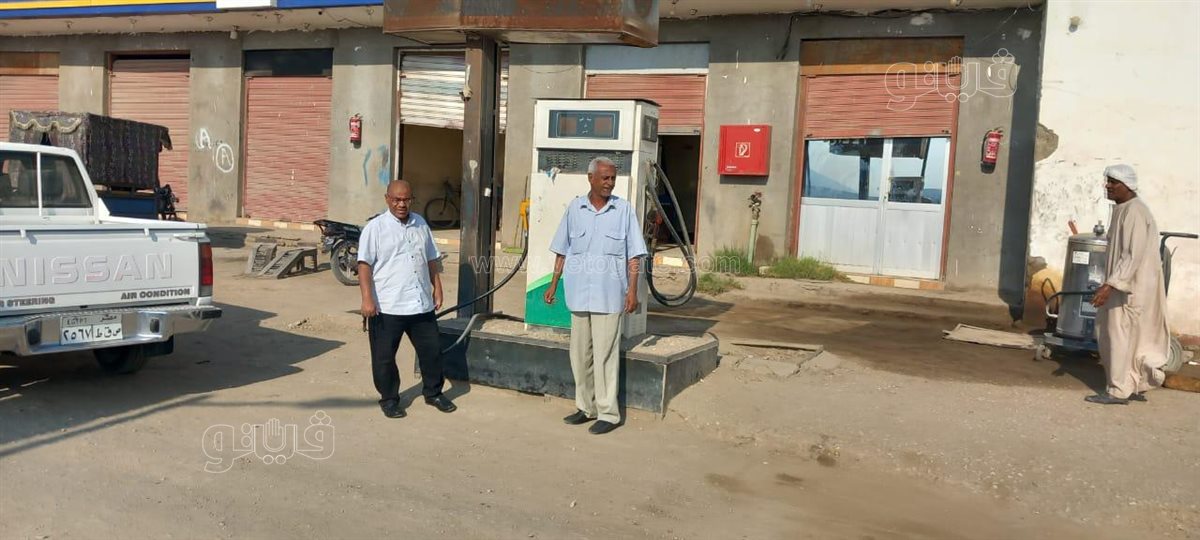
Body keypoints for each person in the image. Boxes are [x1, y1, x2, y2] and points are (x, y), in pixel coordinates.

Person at [543, 157, 648, 435]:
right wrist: (553, 284)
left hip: (609, 296)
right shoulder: (575, 209)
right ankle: (585, 407)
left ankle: (608, 414)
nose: (609, 183)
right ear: (590, 178)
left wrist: (632, 290)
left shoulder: (623, 211)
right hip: (578, 294)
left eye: (613, 178)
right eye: (605, 178)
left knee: (605, 357)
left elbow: (634, 255)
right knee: (579, 356)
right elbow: (562, 250)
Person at [358, 180, 457, 418]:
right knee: (384, 358)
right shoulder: (375, 228)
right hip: (387, 306)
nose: (402, 204)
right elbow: (364, 265)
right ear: (387, 199)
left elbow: (431, 258)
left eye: (406, 200)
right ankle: (389, 399)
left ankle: (433, 393)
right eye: (397, 200)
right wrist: (367, 299)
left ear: (412, 200)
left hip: (420, 304)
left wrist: (437, 288)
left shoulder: (420, 223)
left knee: (432, 352)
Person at [1087, 164, 1170, 405]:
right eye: (1108, 181)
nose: (1108, 185)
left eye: (1114, 182)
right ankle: (1132, 384)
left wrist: (1110, 285)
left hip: (1129, 288)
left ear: (1128, 185)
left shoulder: (1135, 211)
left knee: (1118, 335)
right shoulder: (1124, 209)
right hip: (1126, 285)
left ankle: (1118, 390)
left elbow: (1132, 255)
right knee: (1129, 337)